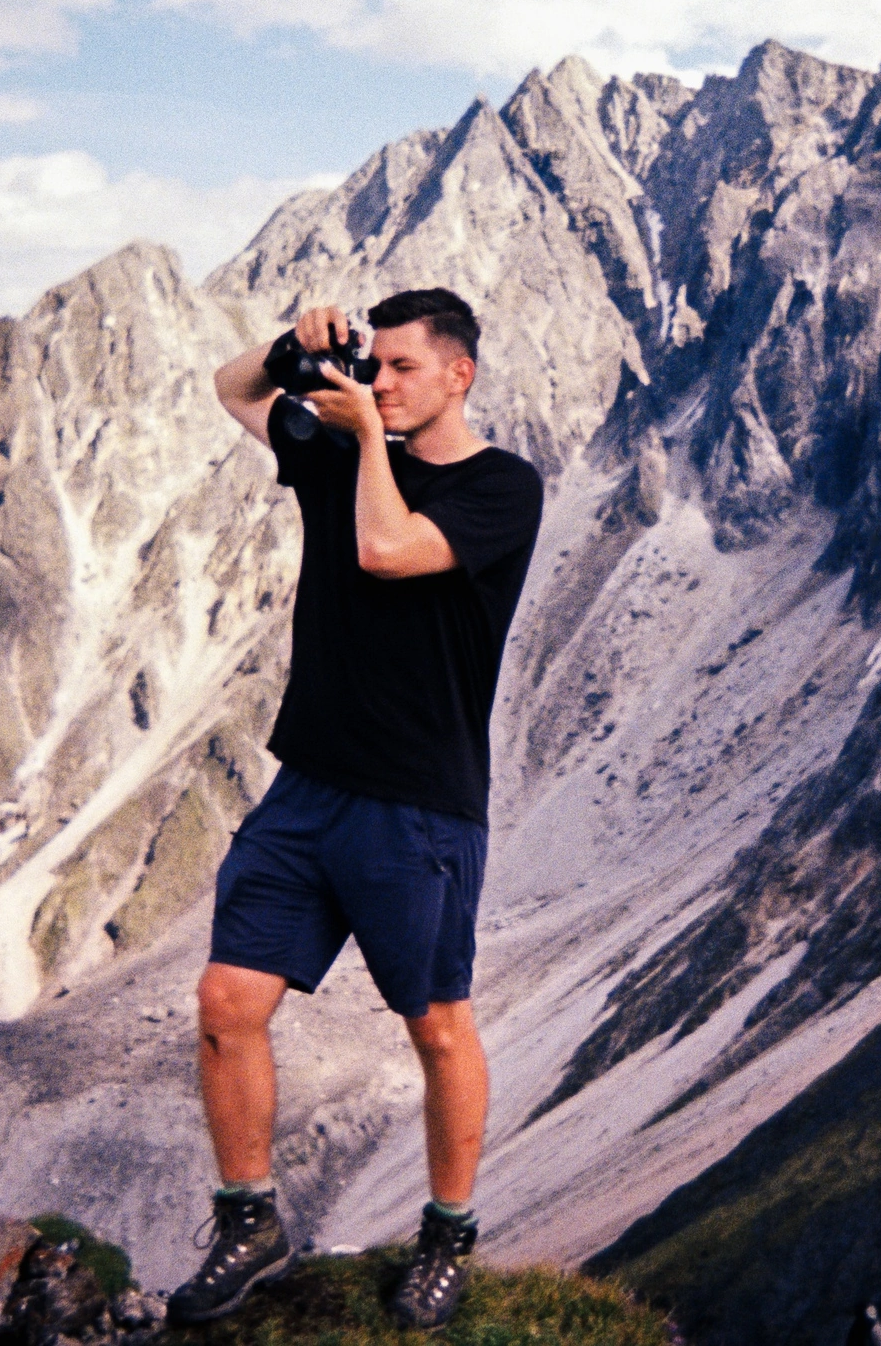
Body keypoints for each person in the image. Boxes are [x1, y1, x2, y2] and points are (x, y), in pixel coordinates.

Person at [170, 287, 545, 1330]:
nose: (379, 383)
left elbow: (389, 547)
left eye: (401, 369)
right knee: (225, 1003)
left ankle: (447, 1234)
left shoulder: (500, 486)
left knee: (435, 1025)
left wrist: (363, 439)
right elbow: (232, 389)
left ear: (458, 373)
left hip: (417, 806)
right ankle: (248, 1221)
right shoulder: (342, 446)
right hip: (309, 787)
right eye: (372, 365)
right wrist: (296, 347)